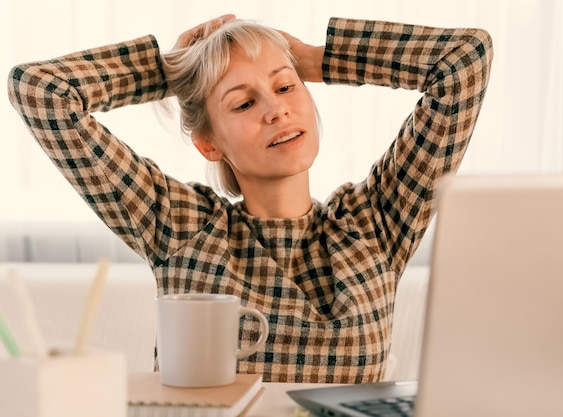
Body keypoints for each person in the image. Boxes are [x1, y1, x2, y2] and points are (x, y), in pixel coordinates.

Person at [7, 13, 493, 383]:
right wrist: (171, 73)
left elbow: (464, 60)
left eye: (286, 85)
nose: (277, 109)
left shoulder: (374, 222)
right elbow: (40, 90)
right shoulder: (180, 225)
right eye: (243, 102)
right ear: (209, 144)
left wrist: (318, 60)